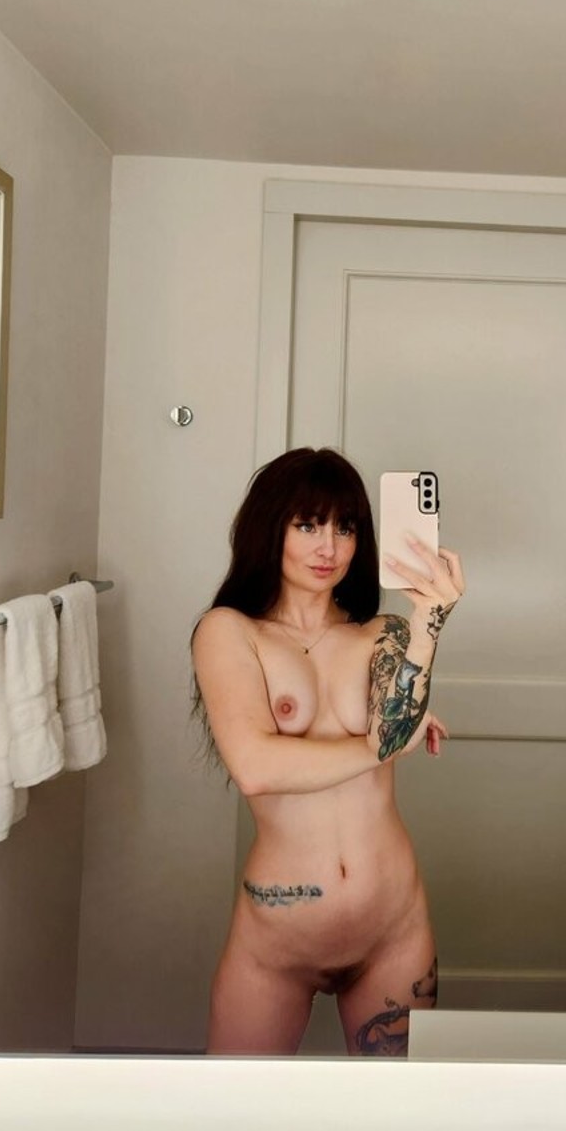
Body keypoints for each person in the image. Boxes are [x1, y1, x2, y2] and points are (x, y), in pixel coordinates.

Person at [191, 447, 465, 1057]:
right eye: (308, 525)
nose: (329, 547)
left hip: (392, 929)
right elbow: (256, 767)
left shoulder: (383, 634)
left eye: (345, 528)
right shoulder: (230, 632)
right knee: (235, 1108)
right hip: (276, 943)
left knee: (395, 1109)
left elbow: (394, 727)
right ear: (271, 528)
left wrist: (429, 620)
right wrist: (384, 744)